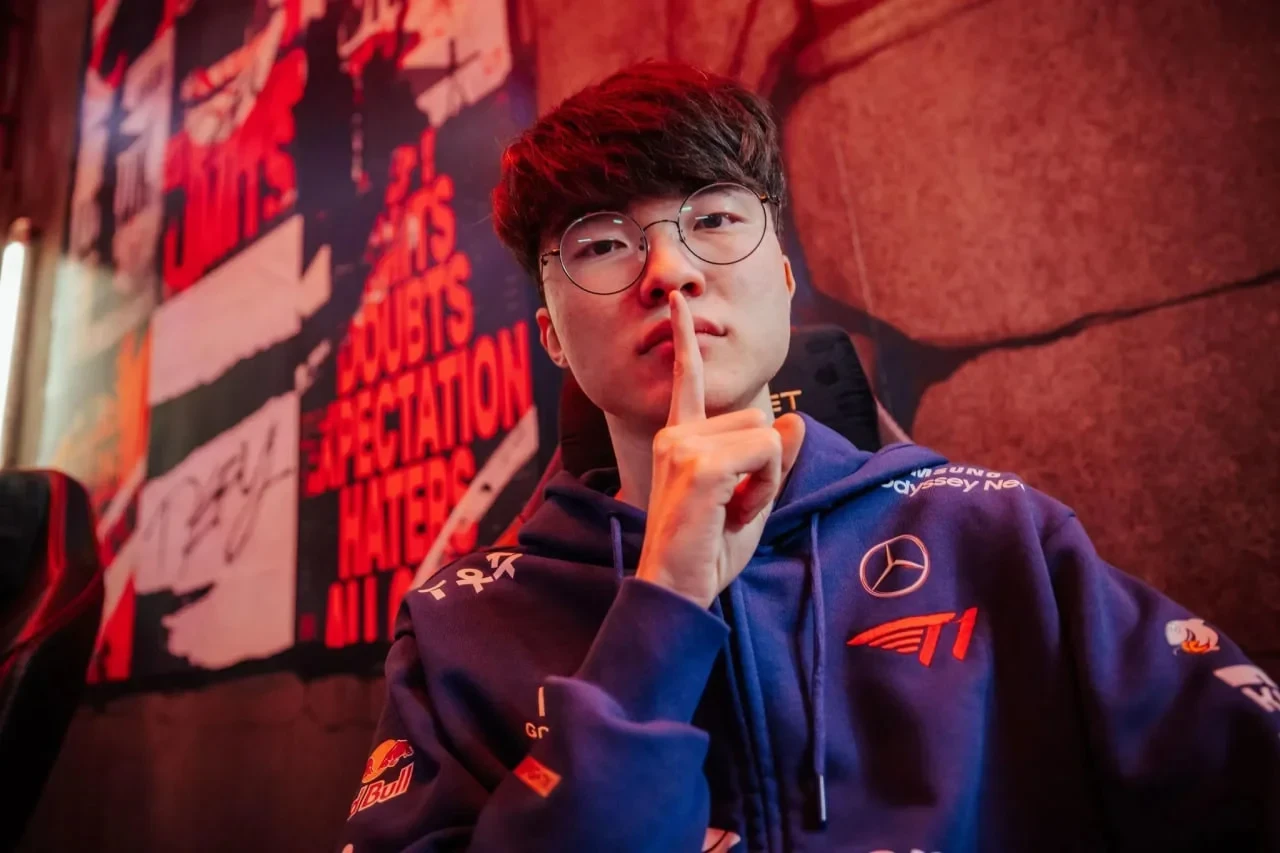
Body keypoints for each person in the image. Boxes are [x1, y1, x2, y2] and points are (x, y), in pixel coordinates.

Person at [339, 62, 1279, 852]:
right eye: (604, 243)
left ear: (785, 280)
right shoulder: (462, 625)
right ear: (551, 334)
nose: (669, 272)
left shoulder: (995, 535)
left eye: (714, 220)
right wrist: (663, 602)